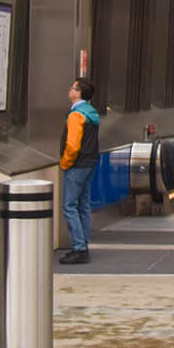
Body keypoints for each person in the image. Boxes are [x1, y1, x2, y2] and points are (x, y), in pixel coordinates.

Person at [58, 78, 101, 266]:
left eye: (73, 87)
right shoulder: (91, 113)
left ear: (78, 93)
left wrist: (65, 163)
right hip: (90, 162)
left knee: (69, 205)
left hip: (77, 164)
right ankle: (83, 243)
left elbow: (73, 145)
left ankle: (79, 248)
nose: (70, 89)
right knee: (83, 205)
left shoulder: (76, 115)